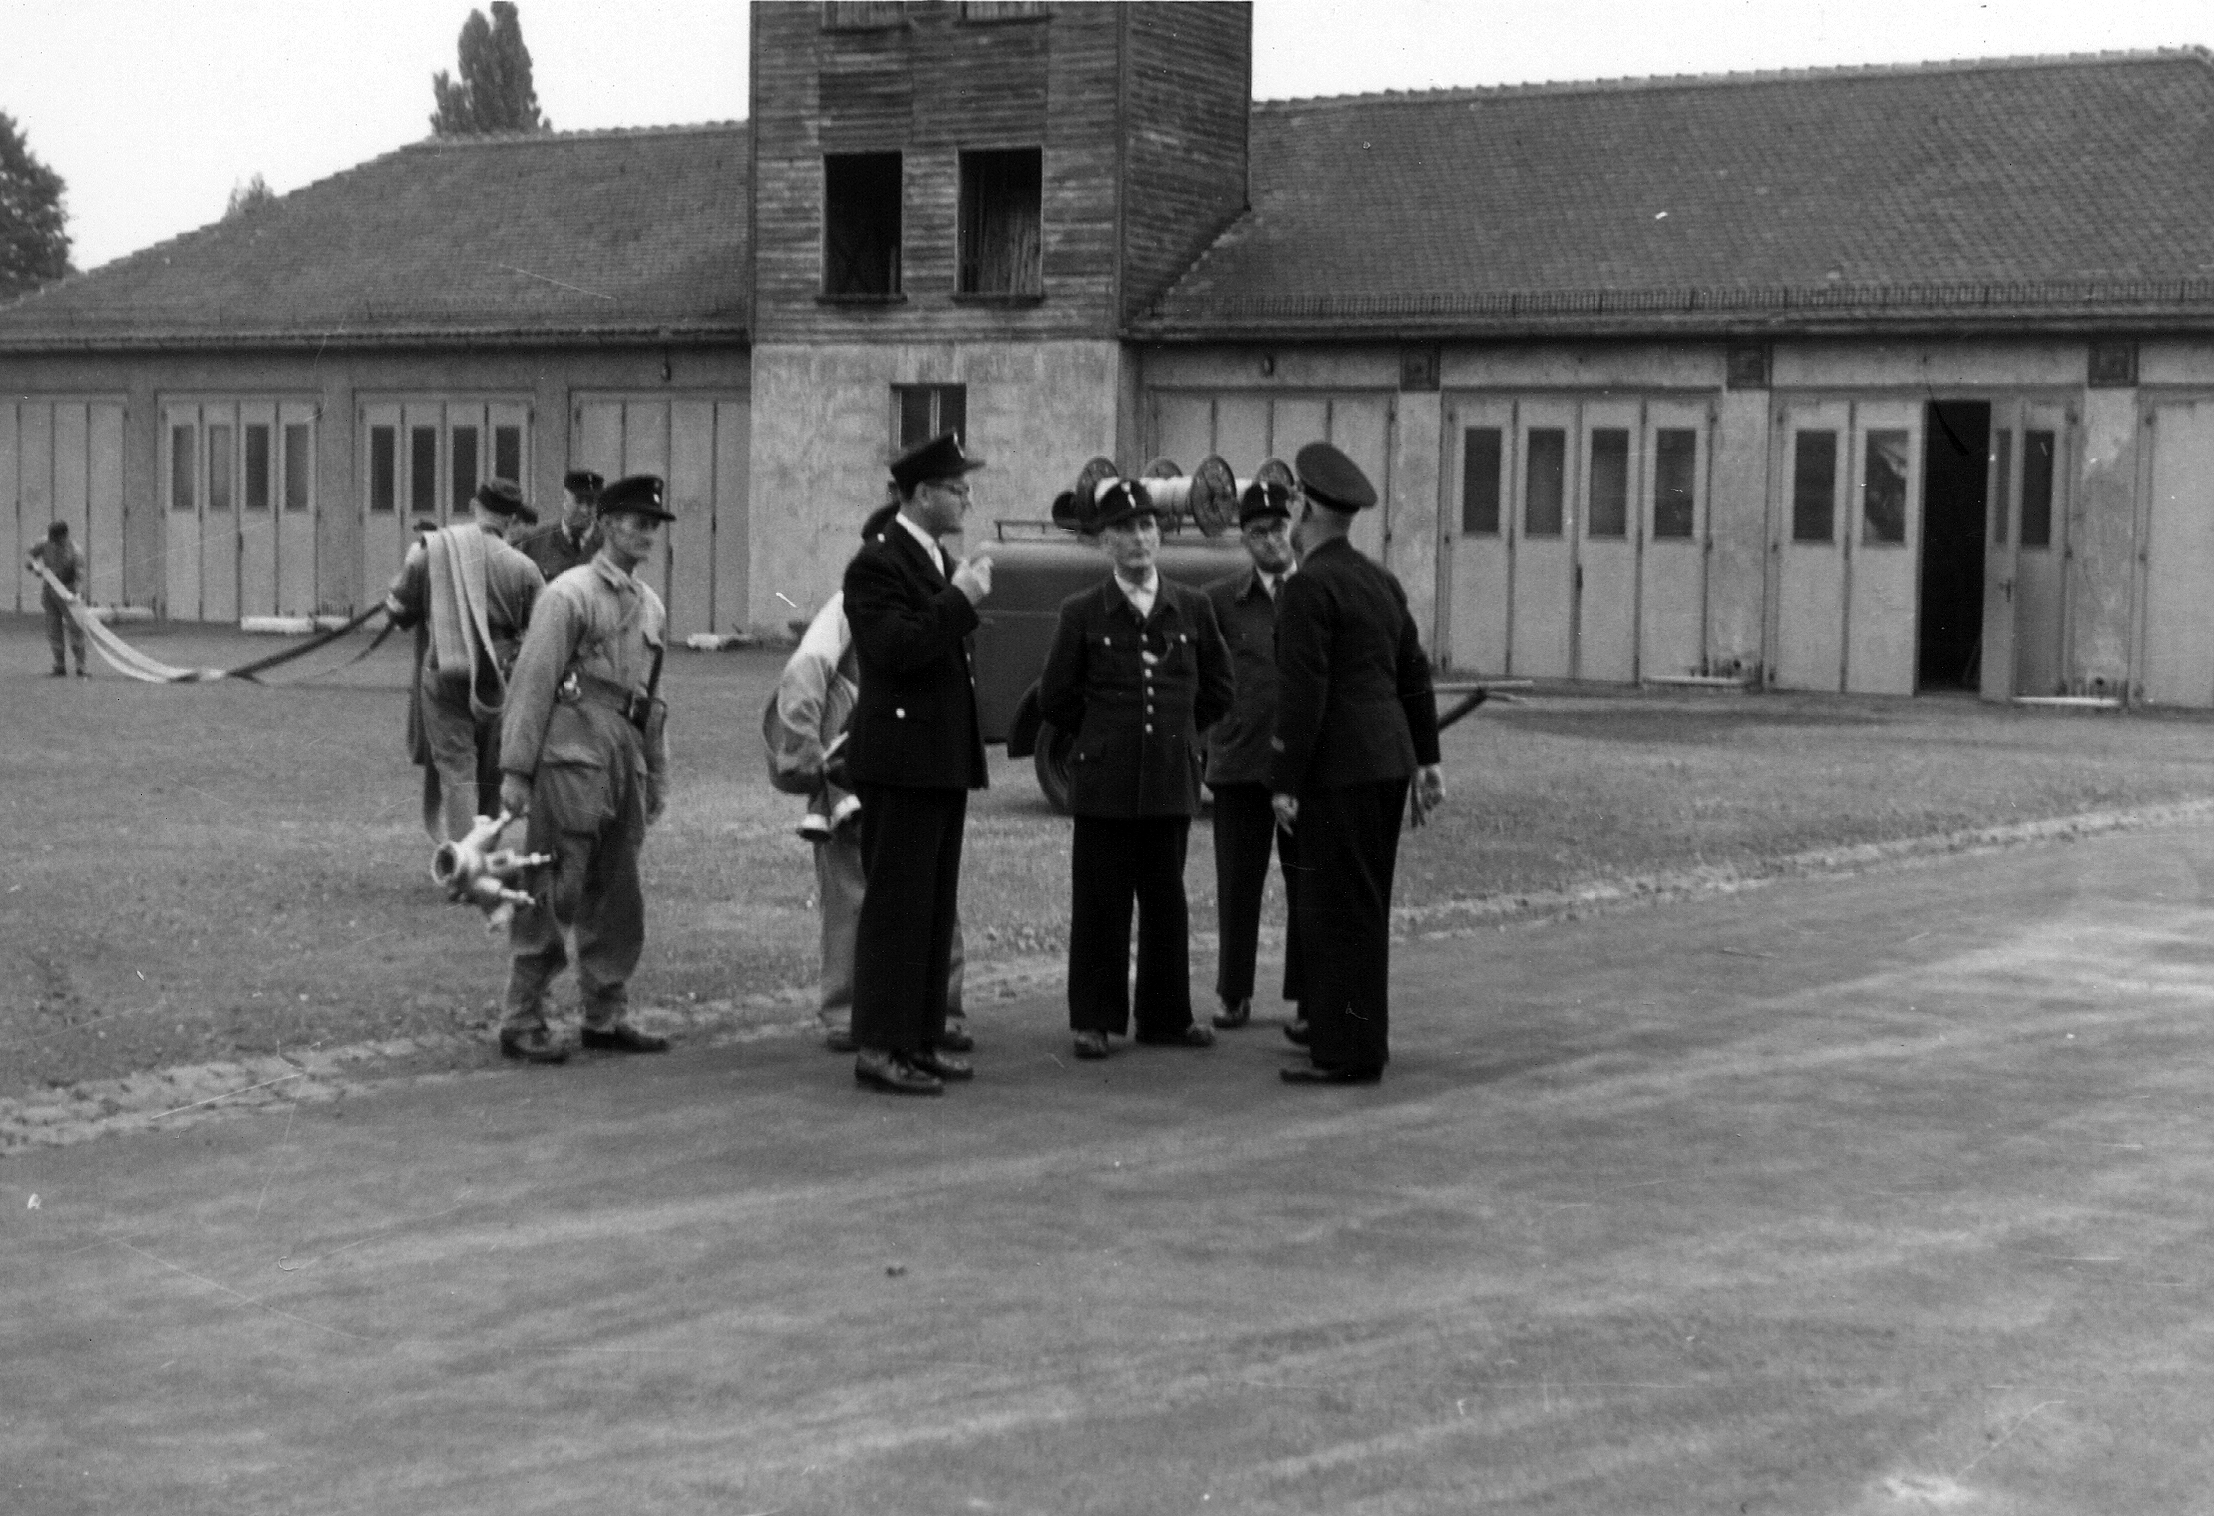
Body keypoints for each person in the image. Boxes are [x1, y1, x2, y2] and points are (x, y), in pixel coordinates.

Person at [1037, 478, 1234, 1061]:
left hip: (1171, 779)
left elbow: (1218, 690)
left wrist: (1183, 738)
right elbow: (1056, 698)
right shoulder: (1082, 612)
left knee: (1166, 902)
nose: (1139, 538)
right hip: (1104, 782)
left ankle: (1166, 1016)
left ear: (1160, 536)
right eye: (1124, 529)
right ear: (1104, 543)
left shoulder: (1191, 606)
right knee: (1101, 904)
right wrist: (1101, 739)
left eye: (1147, 526)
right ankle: (1094, 1021)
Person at [1270, 442, 1444, 1086]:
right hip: (1386, 764)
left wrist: (1284, 782)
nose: (1289, 513)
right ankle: (1361, 1037)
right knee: (1365, 905)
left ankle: (1347, 1053)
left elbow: (1305, 694)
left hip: (1336, 770)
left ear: (1307, 509)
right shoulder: (1380, 581)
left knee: (1335, 908)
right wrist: (1428, 761)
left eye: (1292, 503)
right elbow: (1414, 675)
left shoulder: (1308, 587)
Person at [763, 515, 969, 1056]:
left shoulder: (929, 601)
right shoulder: (848, 605)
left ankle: (935, 1009)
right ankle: (848, 1011)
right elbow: (805, 674)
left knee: (926, 893)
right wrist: (809, 754)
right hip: (847, 767)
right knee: (853, 893)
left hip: (899, 761)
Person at [493, 474, 674, 1065]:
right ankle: (522, 1016)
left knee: (618, 887)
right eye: (635, 520)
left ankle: (605, 1012)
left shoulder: (650, 607)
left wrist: (656, 773)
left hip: (623, 752)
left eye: (654, 523)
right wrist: (517, 772)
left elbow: (650, 699)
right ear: (606, 524)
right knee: (553, 883)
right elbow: (532, 681)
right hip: (572, 748)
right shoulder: (569, 594)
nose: (646, 532)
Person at [840, 431, 993, 1095]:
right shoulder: (877, 564)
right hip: (900, 760)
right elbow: (897, 648)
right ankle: (880, 1045)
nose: (965, 497)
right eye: (956, 487)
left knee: (931, 908)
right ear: (921, 493)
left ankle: (921, 1037)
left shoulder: (929, 559)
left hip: (935, 759)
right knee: (897, 908)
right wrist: (960, 600)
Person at [384, 479, 545, 843]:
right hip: (500, 677)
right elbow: (541, 633)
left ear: (475, 506)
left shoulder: (434, 549)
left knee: (458, 772)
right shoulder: (524, 568)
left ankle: (463, 863)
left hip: (445, 668)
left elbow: (397, 608)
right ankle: (482, 856)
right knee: (491, 773)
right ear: (512, 518)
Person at [1204, 479, 1303, 1032]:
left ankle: (1306, 995)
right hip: (1241, 765)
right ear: (1243, 539)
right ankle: (1233, 993)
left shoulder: (1313, 590)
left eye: (1279, 527)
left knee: (1305, 883)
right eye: (1259, 532)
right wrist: (1212, 741)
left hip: (1305, 768)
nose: (1272, 541)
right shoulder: (1221, 601)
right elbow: (1203, 680)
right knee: (1237, 886)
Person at [512, 470, 603, 581]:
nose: (584, 510)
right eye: (578, 501)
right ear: (565, 499)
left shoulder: (607, 542)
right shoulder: (535, 540)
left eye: (591, 502)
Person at [26, 522, 88, 678]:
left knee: (75, 629)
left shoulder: (76, 552)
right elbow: (29, 556)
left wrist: (78, 595)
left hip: (68, 592)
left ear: (65, 535)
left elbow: (80, 576)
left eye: (57, 538)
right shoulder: (44, 543)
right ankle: (59, 664)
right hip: (49, 591)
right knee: (53, 628)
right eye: (51, 538)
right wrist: (34, 567)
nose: (53, 541)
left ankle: (81, 665)